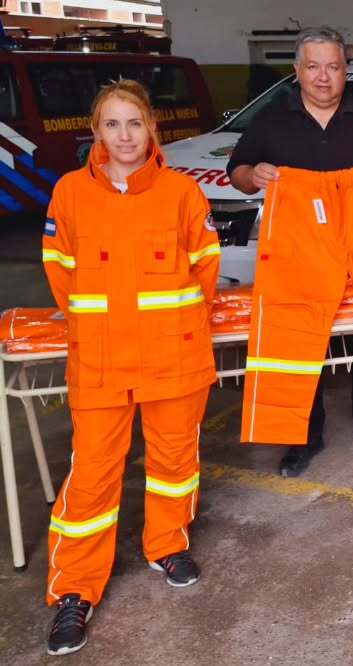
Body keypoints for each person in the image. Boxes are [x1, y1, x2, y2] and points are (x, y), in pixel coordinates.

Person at [40, 80, 221, 656]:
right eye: (112, 125)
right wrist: (100, 328)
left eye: (134, 124)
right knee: (92, 476)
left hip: (174, 355)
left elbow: (205, 271)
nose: (124, 136)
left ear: (152, 130)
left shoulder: (181, 193)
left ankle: (166, 544)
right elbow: (60, 271)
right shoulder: (69, 193)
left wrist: (170, 326)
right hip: (98, 361)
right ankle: (74, 590)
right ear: (95, 131)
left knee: (173, 461)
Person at [227, 26, 353, 477]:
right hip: (298, 250)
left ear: (345, 71)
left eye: (333, 66)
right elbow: (238, 170)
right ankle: (302, 436)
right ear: (297, 71)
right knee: (295, 337)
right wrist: (254, 175)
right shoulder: (273, 119)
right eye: (313, 67)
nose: (323, 77)